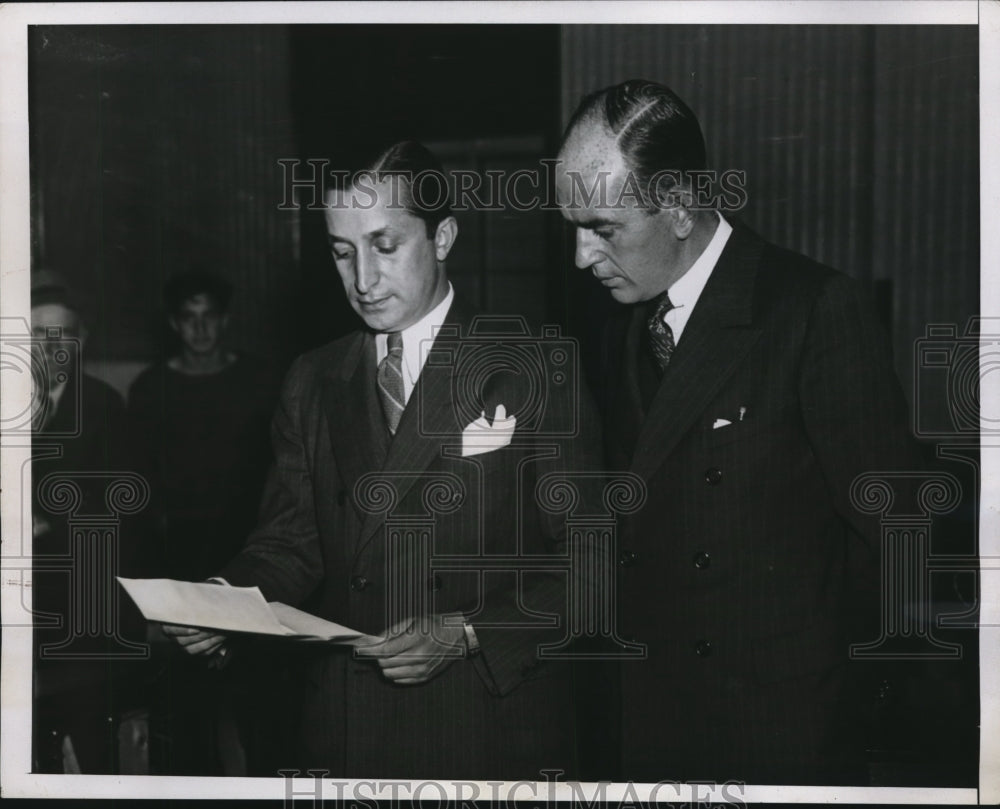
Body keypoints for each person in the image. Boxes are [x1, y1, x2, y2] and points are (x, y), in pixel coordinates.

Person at [164, 141, 603, 779]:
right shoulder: (313, 378)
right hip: (346, 731)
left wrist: (467, 632)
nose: (362, 280)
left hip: (486, 730)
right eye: (343, 253)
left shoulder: (535, 365)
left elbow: (595, 565)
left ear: (444, 235)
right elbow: (290, 543)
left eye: (385, 246)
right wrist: (223, 600)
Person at [555, 80, 924, 784]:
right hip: (651, 722)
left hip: (776, 734)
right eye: (572, 227)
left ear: (680, 205)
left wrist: (843, 711)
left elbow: (894, 537)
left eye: (602, 229)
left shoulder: (814, 311)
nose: (581, 257)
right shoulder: (616, 324)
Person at [30, 270, 145, 773]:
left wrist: (46, 523)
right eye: (38, 333)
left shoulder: (103, 407)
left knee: (94, 745)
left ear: (81, 342)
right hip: (21, 612)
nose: (51, 347)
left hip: (82, 609)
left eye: (64, 335)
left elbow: (122, 511)